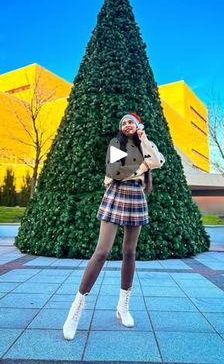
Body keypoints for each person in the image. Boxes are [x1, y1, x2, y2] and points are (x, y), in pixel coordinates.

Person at [63, 113, 165, 340]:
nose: (127, 125)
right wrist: (142, 167)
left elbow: (158, 161)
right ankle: (76, 309)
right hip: (115, 195)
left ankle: (123, 306)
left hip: (137, 198)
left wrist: (144, 140)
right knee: (102, 251)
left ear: (138, 125)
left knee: (129, 252)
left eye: (131, 122)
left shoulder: (146, 144)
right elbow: (115, 172)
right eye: (124, 122)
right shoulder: (115, 144)